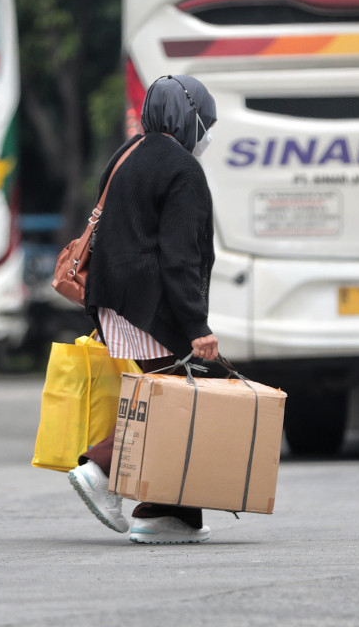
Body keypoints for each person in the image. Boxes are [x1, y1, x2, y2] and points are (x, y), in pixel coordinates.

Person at [67, 74, 220, 544]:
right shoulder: (182, 169)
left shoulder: (126, 154)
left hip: (113, 299)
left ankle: (169, 515)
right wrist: (196, 326)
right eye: (204, 123)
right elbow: (179, 257)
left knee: (177, 393)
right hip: (149, 304)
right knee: (175, 400)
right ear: (188, 117)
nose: (206, 136)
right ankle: (100, 467)